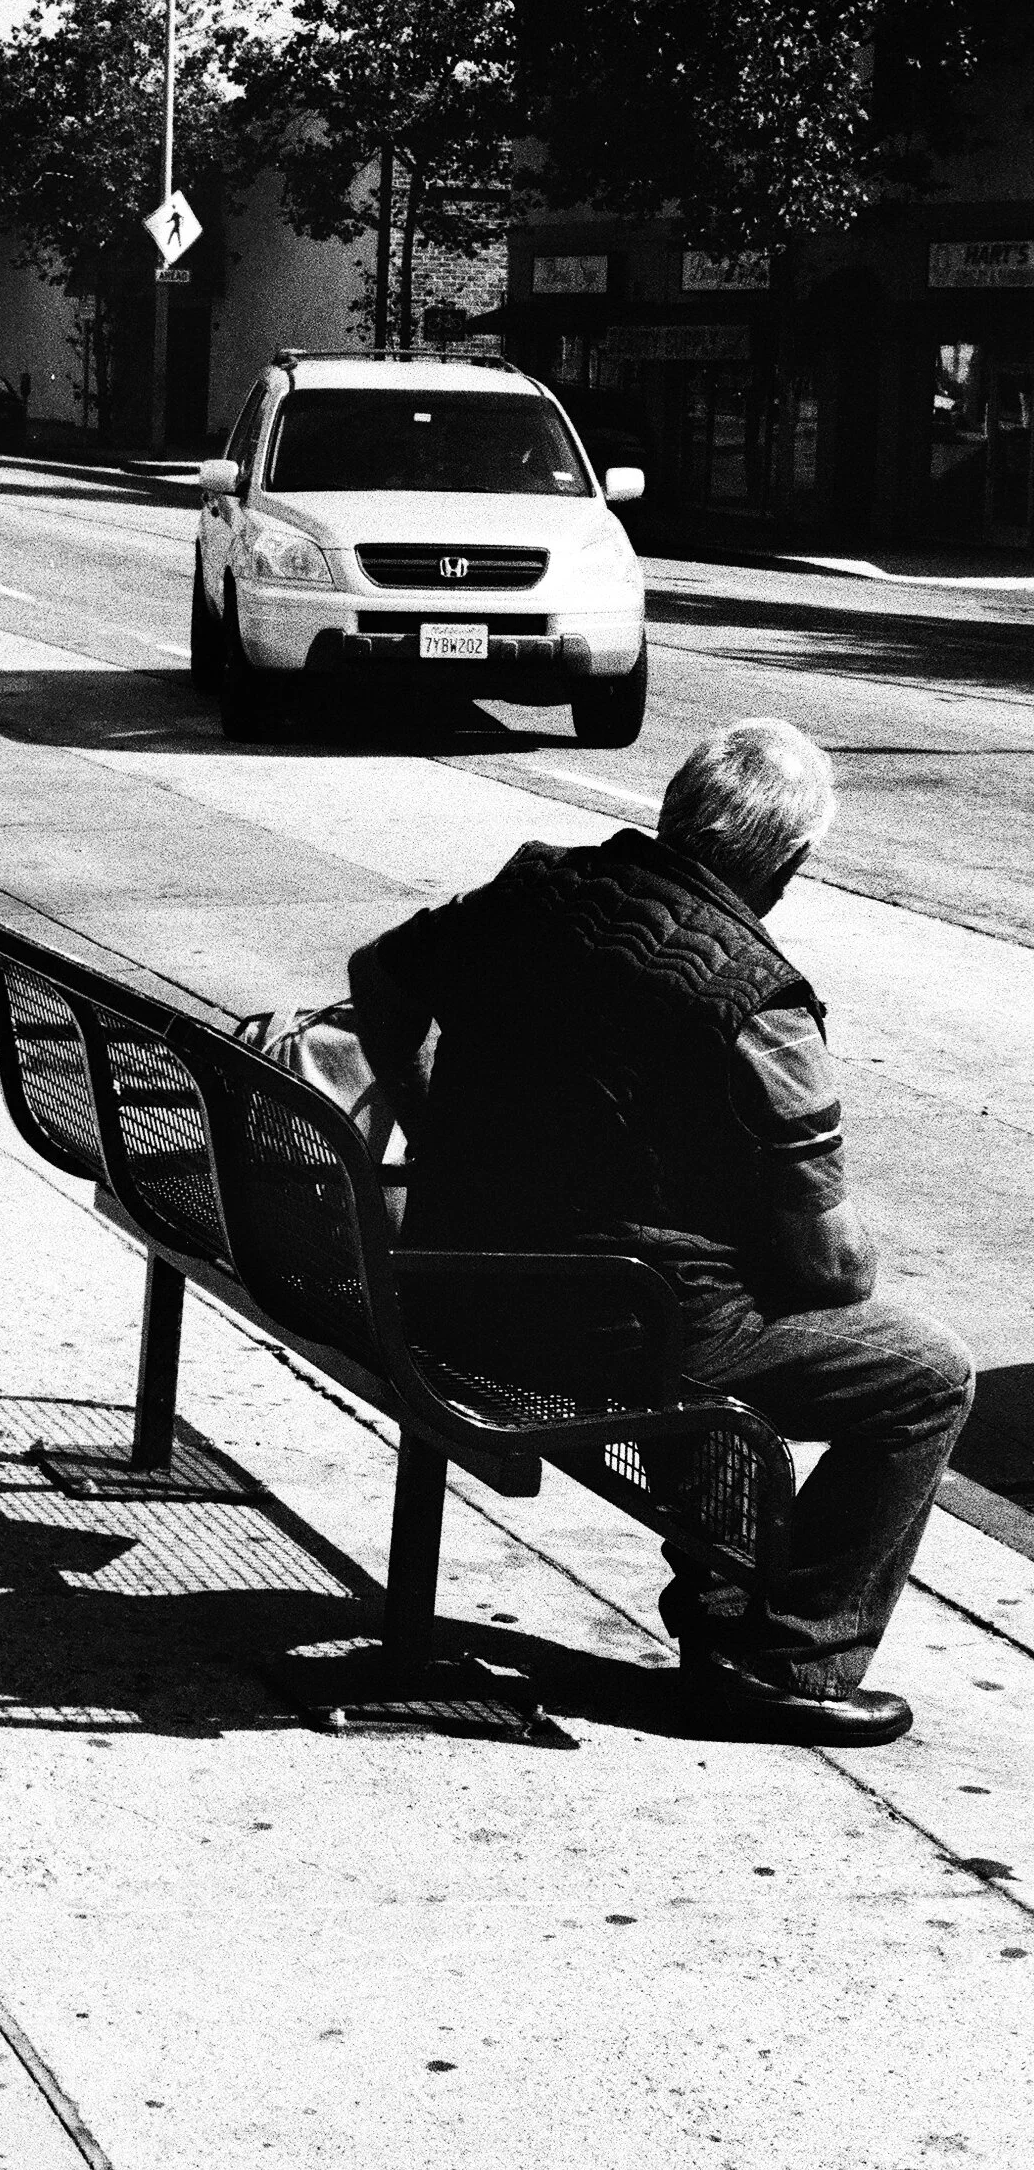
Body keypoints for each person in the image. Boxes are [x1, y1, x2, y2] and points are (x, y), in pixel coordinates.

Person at [345, 719, 973, 1747]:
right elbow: (832, 1267)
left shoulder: (534, 889)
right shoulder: (760, 1006)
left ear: (676, 809)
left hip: (456, 1288)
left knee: (692, 1293)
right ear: (790, 861)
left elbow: (377, 977)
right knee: (925, 1374)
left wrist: (429, 1125)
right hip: (607, 1331)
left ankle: (725, 1615)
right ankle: (786, 1660)